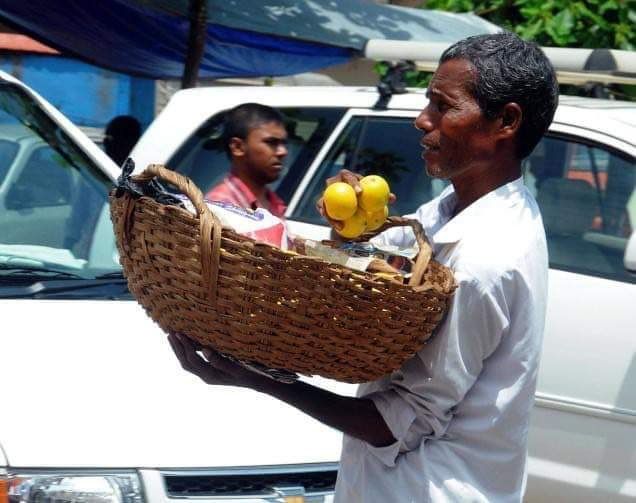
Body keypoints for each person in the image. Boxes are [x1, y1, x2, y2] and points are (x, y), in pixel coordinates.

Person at [167, 31, 558, 502]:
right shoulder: (457, 209)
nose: (421, 120)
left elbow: (398, 423)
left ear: (506, 122)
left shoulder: (488, 256)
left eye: (442, 106)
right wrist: (347, 225)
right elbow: (371, 257)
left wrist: (257, 377)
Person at [205, 103, 288, 218]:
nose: (283, 151)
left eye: (283, 143)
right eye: (271, 142)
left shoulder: (274, 203)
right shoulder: (220, 209)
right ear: (238, 147)